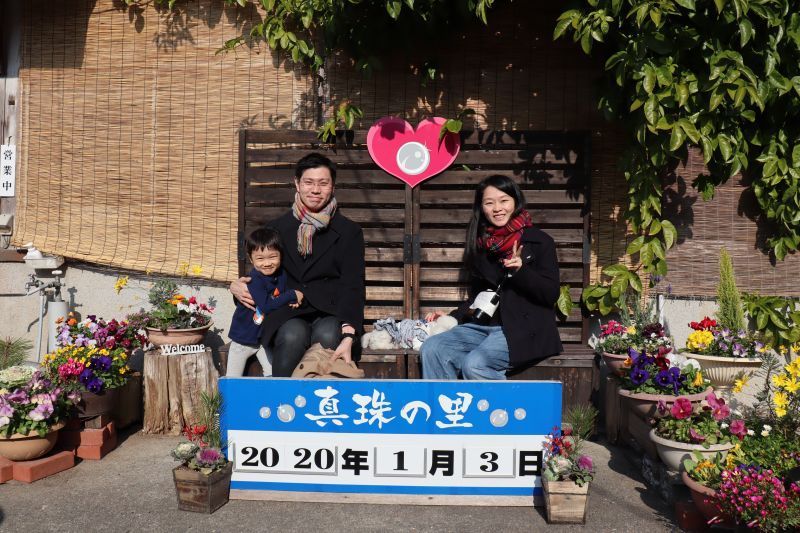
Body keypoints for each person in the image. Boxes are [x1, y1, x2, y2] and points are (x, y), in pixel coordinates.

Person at [229, 153, 365, 377]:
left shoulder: (349, 232)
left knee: (328, 334)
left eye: (323, 183)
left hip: (330, 310)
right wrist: (237, 288)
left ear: (333, 186)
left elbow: (353, 284)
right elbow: (262, 273)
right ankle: (282, 396)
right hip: (288, 310)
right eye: (308, 182)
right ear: (297, 184)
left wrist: (350, 332)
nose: (315, 190)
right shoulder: (277, 228)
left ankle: (320, 398)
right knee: (292, 335)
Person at [421, 174, 562, 380]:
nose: (497, 208)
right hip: (483, 327)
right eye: (489, 203)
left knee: (475, 365)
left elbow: (550, 294)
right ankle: (444, 402)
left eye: (504, 201)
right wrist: (453, 316)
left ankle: (507, 403)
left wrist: (521, 272)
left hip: (523, 330)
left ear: (515, 202)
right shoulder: (482, 245)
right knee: (433, 348)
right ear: (481, 207)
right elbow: (479, 296)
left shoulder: (539, 241)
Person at [226, 227, 303, 377]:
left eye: (272, 257)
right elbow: (267, 306)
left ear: (281, 255)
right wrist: (292, 294)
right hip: (243, 340)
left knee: (272, 374)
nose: (267, 263)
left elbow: (283, 295)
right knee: (232, 379)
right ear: (251, 259)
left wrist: (293, 299)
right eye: (260, 259)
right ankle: (227, 394)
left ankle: (270, 393)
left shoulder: (281, 275)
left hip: (263, 340)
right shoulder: (254, 280)